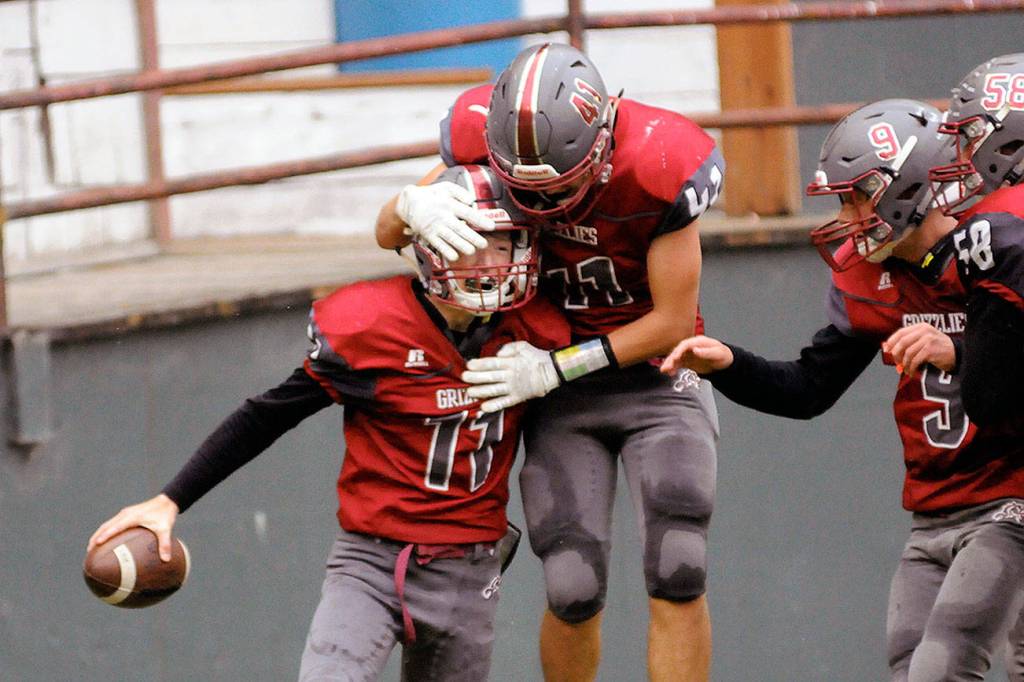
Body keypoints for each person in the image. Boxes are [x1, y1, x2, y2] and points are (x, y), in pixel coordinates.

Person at [87, 165, 571, 682]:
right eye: (471, 242)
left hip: (468, 568)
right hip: (371, 563)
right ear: (432, 247)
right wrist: (170, 500)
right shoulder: (372, 327)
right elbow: (267, 415)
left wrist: (565, 366)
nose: (491, 262)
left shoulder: (538, 331)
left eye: (503, 245)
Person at [376, 42, 723, 681]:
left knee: (678, 565)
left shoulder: (658, 159)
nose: (540, 205)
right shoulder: (480, 137)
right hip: (554, 385)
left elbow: (671, 324)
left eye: (558, 185)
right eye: (524, 187)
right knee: (572, 584)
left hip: (655, 376)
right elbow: (385, 234)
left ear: (601, 143)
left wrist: (556, 366)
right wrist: (406, 206)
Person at [660, 97, 1024, 682]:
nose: (847, 216)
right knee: (910, 668)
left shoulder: (994, 252)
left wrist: (957, 350)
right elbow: (808, 389)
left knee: (945, 666)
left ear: (905, 188)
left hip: (1008, 501)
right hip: (933, 510)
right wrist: (728, 363)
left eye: (856, 197)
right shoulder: (873, 279)